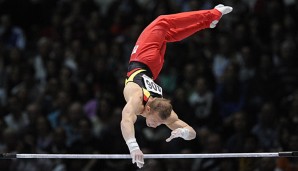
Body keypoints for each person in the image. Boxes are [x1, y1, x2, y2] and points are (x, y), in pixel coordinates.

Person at [121, 4, 233, 168]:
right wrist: (134, 147)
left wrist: (182, 132)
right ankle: (212, 14)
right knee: (162, 22)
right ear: (150, 109)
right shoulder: (137, 97)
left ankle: (207, 22)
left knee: (167, 34)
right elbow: (125, 121)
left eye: (160, 123)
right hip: (144, 60)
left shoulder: (164, 112)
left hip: (153, 67)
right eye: (159, 122)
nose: (157, 125)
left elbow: (192, 133)